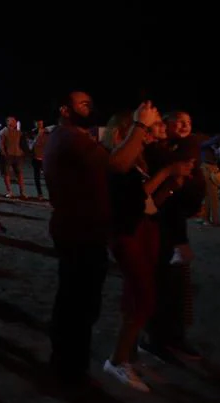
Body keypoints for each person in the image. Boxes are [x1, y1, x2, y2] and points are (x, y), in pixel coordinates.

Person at [43, 92, 158, 386]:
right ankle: (68, 370)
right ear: (65, 110)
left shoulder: (70, 137)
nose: (89, 106)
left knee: (76, 301)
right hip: (79, 230)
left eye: (90, 102)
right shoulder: (70, 138)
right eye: (82, 103)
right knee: (78, 304)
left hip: (80, 229)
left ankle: (67, 365)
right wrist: (140, 126)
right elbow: (117, 164)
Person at [101, 112, 194, 391]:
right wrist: (166, 174)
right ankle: (117, 361)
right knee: (144, 297)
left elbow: (149, 202)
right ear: (122, 134)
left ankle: (126, 357)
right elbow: (136, 199)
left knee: (135, 297)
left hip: (143, 229)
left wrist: (171, 186)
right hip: (127, 234)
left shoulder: (138, 162)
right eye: (142, 131)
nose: (148, 136)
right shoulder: (118, 163)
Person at [143, 111, 205, 362]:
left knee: (179, 286)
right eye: (178, 121)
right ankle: (157, 339)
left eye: (188, 122)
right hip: (160, 227)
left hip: (177, 227)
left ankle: (176, 336)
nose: (184, 125)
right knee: (162, 285)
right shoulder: (157, 152)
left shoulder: (182, 149)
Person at [0, 116, 27, 199]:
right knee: (6, 174)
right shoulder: (3, 132)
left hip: (18, 155)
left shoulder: (18, 132)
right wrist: (4, 153)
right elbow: (1, 144)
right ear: (8, 122)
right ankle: (9, 192)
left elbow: (22, 143)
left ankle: (22, 192)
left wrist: (22, 152)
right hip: (8, 155)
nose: (14, 122)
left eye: (15, 121)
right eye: (13, 121)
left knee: (19, 174)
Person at [29, 119, 49, 200]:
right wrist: (37, 136)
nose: (40, 125)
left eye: (41, 123)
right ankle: (40, 194)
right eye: (38, 123)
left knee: (48, 177)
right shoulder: (32, 133)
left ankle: (52, 193)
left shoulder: (47, 132)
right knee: (37, 177)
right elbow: (30, 146)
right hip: (36, 157)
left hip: (45, 158)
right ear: (35, 124)